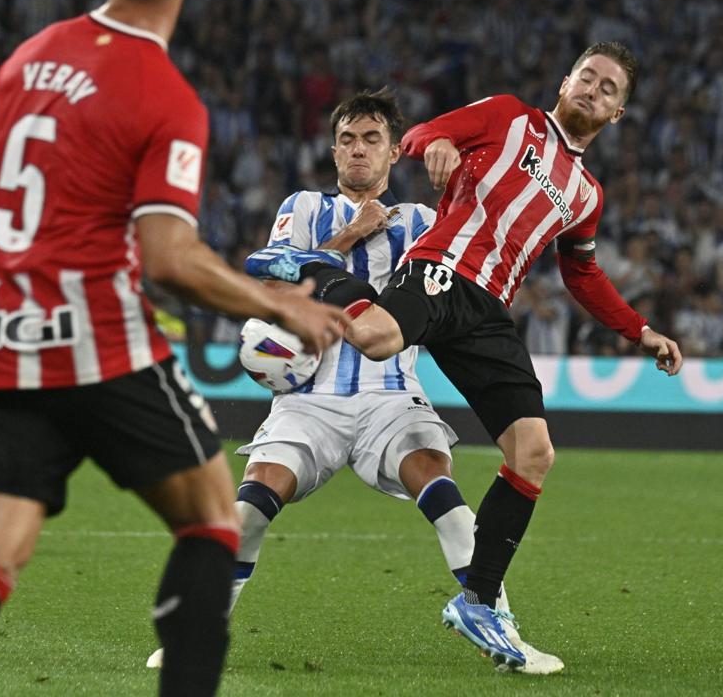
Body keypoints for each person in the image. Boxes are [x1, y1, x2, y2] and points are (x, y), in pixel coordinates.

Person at [0, 0, 347, 697]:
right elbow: (168, 257)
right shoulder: (164, 96)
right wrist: (279, 301)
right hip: (101, 345)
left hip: (3, 349)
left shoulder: (28, 58)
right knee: (214, 521)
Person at [255, 43, 684, 670]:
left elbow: (583, 274)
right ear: (565, 83)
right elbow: (424, 133)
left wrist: (637, 329)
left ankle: (478, 601)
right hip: (441, 268)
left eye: (609, 88)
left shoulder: (587, 194)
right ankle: (313, 266)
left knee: (534, 452)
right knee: (373, 337)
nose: (593, 89)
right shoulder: (511, 117)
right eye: (586, 77)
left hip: (487, 311)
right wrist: (440, 145)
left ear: (618, 113)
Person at [147, 89, 563, 673]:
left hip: (392, 396)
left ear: (395, 152)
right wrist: (348, 237)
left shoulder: (425, 222)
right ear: (334, 149)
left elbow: (447, 301)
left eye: (371, 140)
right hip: (308, 399)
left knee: (445, 497)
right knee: (249, 508)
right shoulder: (305, 206)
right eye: (347, 139)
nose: (358, 150)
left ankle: (499, 626)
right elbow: (266, 273)